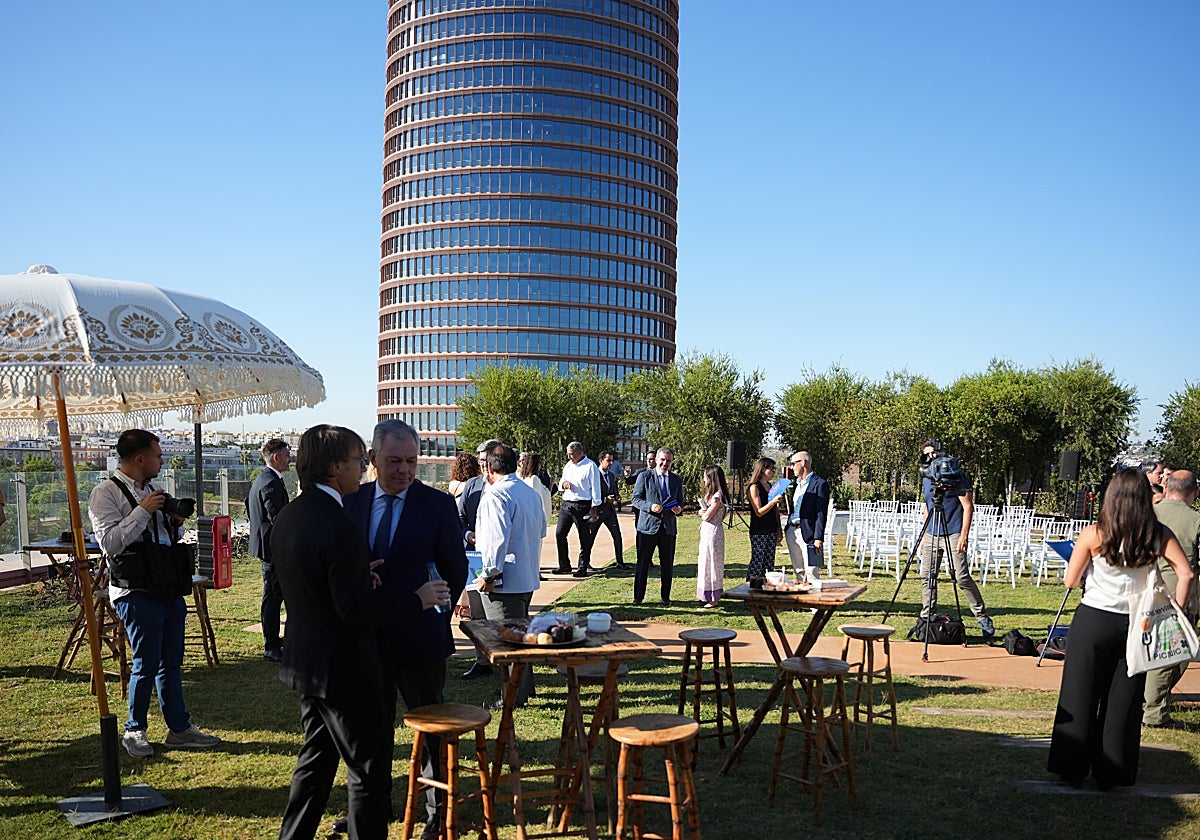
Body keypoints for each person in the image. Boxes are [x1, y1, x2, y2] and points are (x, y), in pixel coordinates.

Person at [273, 425, 449, 840]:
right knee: (367, 773)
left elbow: (308, 581)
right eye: (357, 462)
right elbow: (353, 611)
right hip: (345, 671)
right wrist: (416, 600)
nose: (361, 470)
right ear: (336, 467)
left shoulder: (291, 514)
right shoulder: (339, 523)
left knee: (315, 764)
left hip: (306, 664)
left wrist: (354, 578)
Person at [343, 420, 468, 837]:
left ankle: (437, 812)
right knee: (369, 731)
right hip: (366, 640)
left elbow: (455, 569)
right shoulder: (352, 501)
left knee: (431, 730)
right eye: (395, 461)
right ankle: (369, 808)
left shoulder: (437, 505)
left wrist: (435, 610)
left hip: (419, 640)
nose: (404, 470)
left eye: (411, 462)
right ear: (373, 458)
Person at [1047, 468, 1193, 790]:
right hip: (1137, 621)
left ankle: (1071, 769)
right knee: (1123, 700)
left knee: (1080, 693)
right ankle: (1112, 772)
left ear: (1111, 496)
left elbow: (1071, 581)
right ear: (1145, 497)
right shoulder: (1158, 533)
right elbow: (1186, 573)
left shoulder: (1094, 533)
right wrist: (1175, 611)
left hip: (1094, 618)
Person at [88, 429, 220, 759]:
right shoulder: (106, 493)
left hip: (167, 585)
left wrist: (174, 521)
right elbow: (110, 543)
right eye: (158, 456)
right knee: (146, 663)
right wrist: (143, 510)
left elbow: (166, 538)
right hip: (135, 590)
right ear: (140, 458)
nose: (162, 461)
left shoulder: (152, 491)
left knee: (171, 661)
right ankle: (135, 730)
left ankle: (178, 729)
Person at [475, 443, 547, 709]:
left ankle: (513, 696)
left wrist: (488, 575)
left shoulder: (496, 495)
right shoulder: (529, 492)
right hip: (525, 575)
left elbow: (496, 542)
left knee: (508, 642)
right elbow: (541, 530)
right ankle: (524, 689)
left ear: (489, 467)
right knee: (520, 637)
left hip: (504, 582)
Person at [918, 439, 995, 640]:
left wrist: (964, 536)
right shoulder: (926, 477)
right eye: (927, 454)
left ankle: (982, 617)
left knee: (961, 577)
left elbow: (968, 506)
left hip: (953, 532)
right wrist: (924, 534)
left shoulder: (955, 474)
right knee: (927, 576)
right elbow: (927, 506)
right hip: (932, 533)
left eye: (933, 453)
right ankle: (927, 618)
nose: (931, 457)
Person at [1142, 469, 1200, 728]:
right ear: (1195, 492)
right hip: (1179, 594)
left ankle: (1151, 700)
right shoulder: (1196, 521)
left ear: (1166, 488)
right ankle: (1153, 712)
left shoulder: (1147, 514)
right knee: (1171, 655)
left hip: (1143, 591)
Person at [248, 437, 292, 663]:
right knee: (273, 597)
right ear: (276, 457)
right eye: (287, 455)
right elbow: (278, 518)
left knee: (275, 595)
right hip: (273, 550)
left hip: (269, 547)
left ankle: (275, 641)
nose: (290, 459)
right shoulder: (270, 482)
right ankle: (271, 645)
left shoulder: (263, 478)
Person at [631, 447, 683, 605]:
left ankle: (665, 597)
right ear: (656, 460)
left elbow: (680, 501)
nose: (665, 463)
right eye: (662, 460)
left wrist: (679, 509)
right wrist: (650, 506)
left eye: (668, 461)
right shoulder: (645, 476)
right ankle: (638, 597)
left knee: (667, 565)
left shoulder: (676, 480)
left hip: (668, 528)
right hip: (648, 527)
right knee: (643, 564)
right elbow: (636, 499)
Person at [782, 451, 829, 583]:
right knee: (799, 571)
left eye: (793, 464)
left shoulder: (820, 484)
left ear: (803, 463)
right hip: (792, 531)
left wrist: (818, 538)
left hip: (809, 533)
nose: (791, 467)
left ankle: (814, 597)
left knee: (811, 572)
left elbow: (821, 513)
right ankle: (800, 596)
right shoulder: (796, 484)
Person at [557, 441, 602, 577]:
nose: (569, 457)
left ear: (580, 452)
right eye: (568, 454)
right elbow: (561, 481)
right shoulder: (569, 465)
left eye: (571, 454)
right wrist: (564, 484)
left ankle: (582, 567)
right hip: (567, 504)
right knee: (560, 533)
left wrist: (594, 507)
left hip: (582, 505)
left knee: (584, 537)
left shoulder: (590, 466)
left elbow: (596, 488)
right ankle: (564, 565)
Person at [745, 456, 783, 585]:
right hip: (759, 531)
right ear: (762, 469)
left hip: (772, 529)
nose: (773, 472)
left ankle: (765, 591)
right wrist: (773, 502)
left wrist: (779, 529)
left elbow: (775, 511)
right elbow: (759, 512)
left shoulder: (771, 486)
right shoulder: (754, 487)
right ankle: (749, 591)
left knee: (769, 565)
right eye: (771, 469)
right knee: (757, 563)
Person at [458, 439, 501, 547]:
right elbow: (459, 516)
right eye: (481, 460)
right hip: (474, 550)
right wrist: (467, 534)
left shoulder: (508, 487)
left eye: (487, 460)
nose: (484, 465)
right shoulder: (472, 485)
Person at [696, 465, 728, 608]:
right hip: (707, 532)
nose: (704, 480)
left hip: (714, 532)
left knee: (713, 563)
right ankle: (705, 594)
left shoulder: (718, 496)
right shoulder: (712, 495)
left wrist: (702, 513)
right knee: (705, 562)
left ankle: (714, 597)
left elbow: (707, 516)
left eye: (705, 477)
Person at [595, 451, 627, 570]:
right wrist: (605, 499)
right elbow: (592, 494)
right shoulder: (594, 475)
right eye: (608, 460)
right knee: (590, 537)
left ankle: (620, 562)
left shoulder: (611, 475)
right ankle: (584, 563)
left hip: (610, 511)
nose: (611, 463)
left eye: (612, 461)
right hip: (597, 511)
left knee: (617, 536)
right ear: (601, 461)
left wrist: (617, 497)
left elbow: (614, 490)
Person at [518, 451, 552, 525]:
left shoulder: (522, 477)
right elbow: (542, 496)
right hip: (534, 516)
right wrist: (551, 484)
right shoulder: (534, 479)